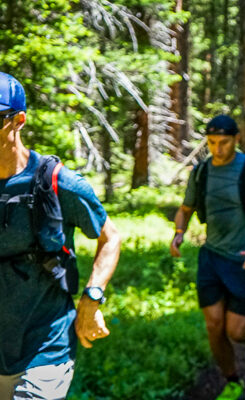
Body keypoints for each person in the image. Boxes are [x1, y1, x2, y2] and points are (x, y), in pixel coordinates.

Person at [0, 72, 121, 400]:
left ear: (19, 120)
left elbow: (110, 237)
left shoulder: (58, 182)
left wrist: (92, 297)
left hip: (46, 345)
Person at [170, 115, 245, 400]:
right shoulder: (201, 172)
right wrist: (179, 232)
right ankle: (232, 381)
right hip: (212, 257)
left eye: (224, 142)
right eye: (212, 142)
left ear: (236, 140)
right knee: (214, 325)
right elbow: (186, 208)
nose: (218, 149)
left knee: (237, 330)